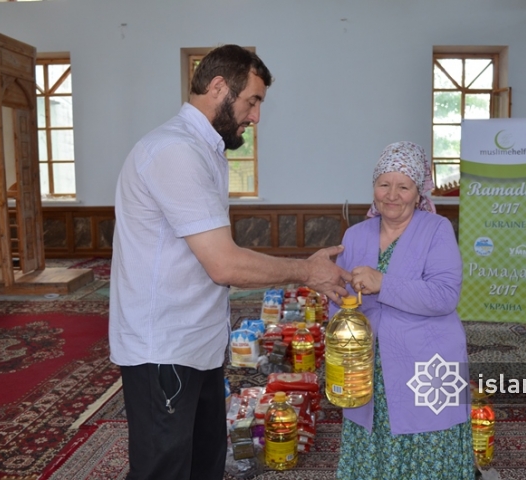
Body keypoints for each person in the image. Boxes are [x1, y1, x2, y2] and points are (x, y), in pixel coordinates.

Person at [108, 44, 352, 480]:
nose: (255, 117)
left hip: (196, 343)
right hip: (164, 348)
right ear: (219, 87)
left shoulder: (206, 150)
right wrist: (308, 270)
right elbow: (224, 265)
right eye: (252, 101)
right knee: (164, 469)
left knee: (203, 463)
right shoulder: (174, 151)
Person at [330, 141, 475, 479]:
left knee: (427, 448)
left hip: (427, 365)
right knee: (373, 443)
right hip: (366, 369)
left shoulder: (436, 230)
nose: (392, 195)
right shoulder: (354, 235)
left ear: (418, 192)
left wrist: (384, 282)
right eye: (384, 184)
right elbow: (340, 299)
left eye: (403, 186)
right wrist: (334, 297)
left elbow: (444, 296)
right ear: (374, 188)